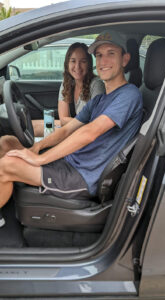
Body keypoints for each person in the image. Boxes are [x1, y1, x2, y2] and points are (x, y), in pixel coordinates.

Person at [0, 30, 143, 226]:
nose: (103, 61)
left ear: (125, 59)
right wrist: (37, 148)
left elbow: (89, 133)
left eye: (111, 53)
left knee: (6, 166)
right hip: (70, 162)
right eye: (99, 55)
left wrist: (40, 158)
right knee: (7, 144)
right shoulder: (100, 100)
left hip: (83, 178)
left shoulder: (129, 95)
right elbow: (67, 129)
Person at [32, 42, 105, 136]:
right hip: (73, 128)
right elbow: (63, 119)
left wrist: (69, 123)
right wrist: (71, 123)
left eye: (83, 61)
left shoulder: (96, 85)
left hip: (84, 133)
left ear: (89, 64)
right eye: (73, 61)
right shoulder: (67, 83)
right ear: (67, 63)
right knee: (32, 126)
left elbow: (94, 123)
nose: (77, 66)